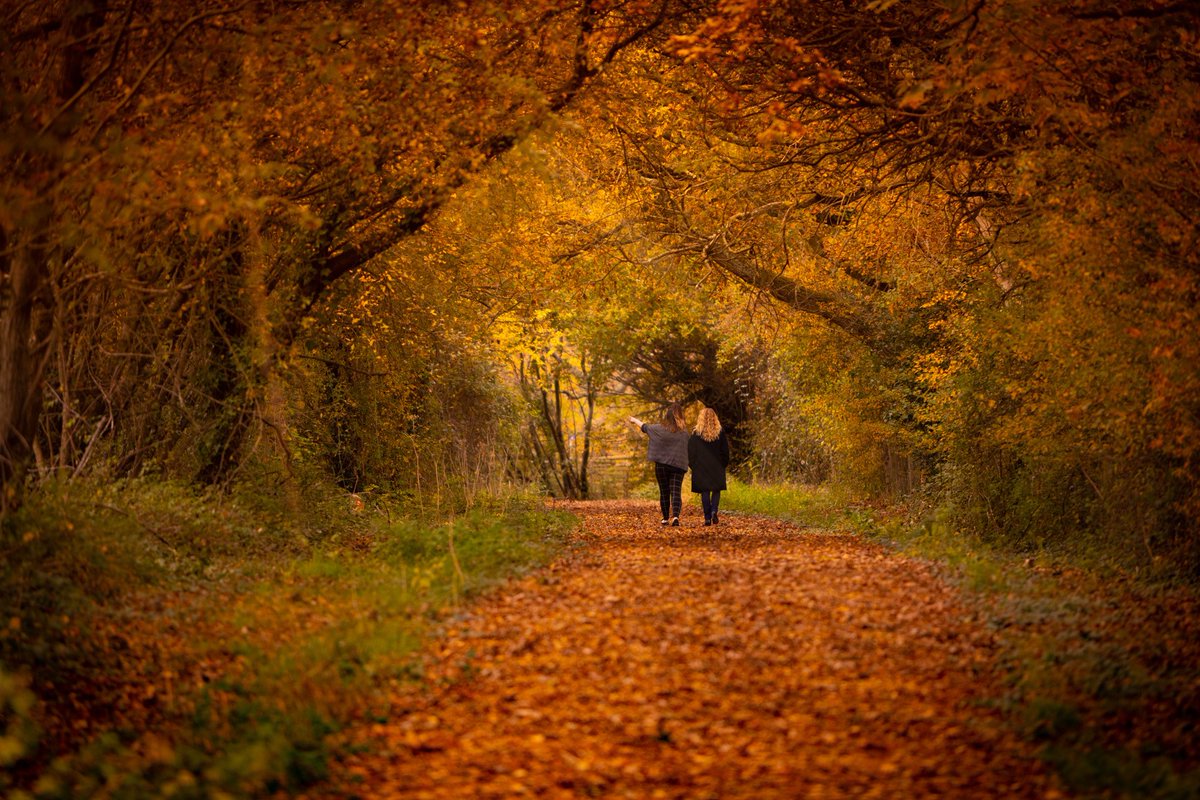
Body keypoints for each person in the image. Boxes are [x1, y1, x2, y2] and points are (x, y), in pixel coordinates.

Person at [629, 402, 689, 526]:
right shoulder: (684, 433)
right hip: (678, 465)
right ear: (680, 416)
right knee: (676, 491)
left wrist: (634, 420)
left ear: (667, 416)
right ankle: (676, 517)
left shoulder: (658, 429)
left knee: (664, 491)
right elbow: (690, 450)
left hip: (661, 465)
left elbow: (644, 427)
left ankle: (666, 518)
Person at [688, 406, 729, 526]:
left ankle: (707, 518)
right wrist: (723, 464)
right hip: (717, 466)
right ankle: (714, 511)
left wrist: (693, 466)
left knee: (704, 491)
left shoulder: (696, 433)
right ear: (714, 418)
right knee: (716, 490)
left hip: (701, 467)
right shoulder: (720, 432)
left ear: (701, 418)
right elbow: (725, 451)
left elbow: (690, 452)